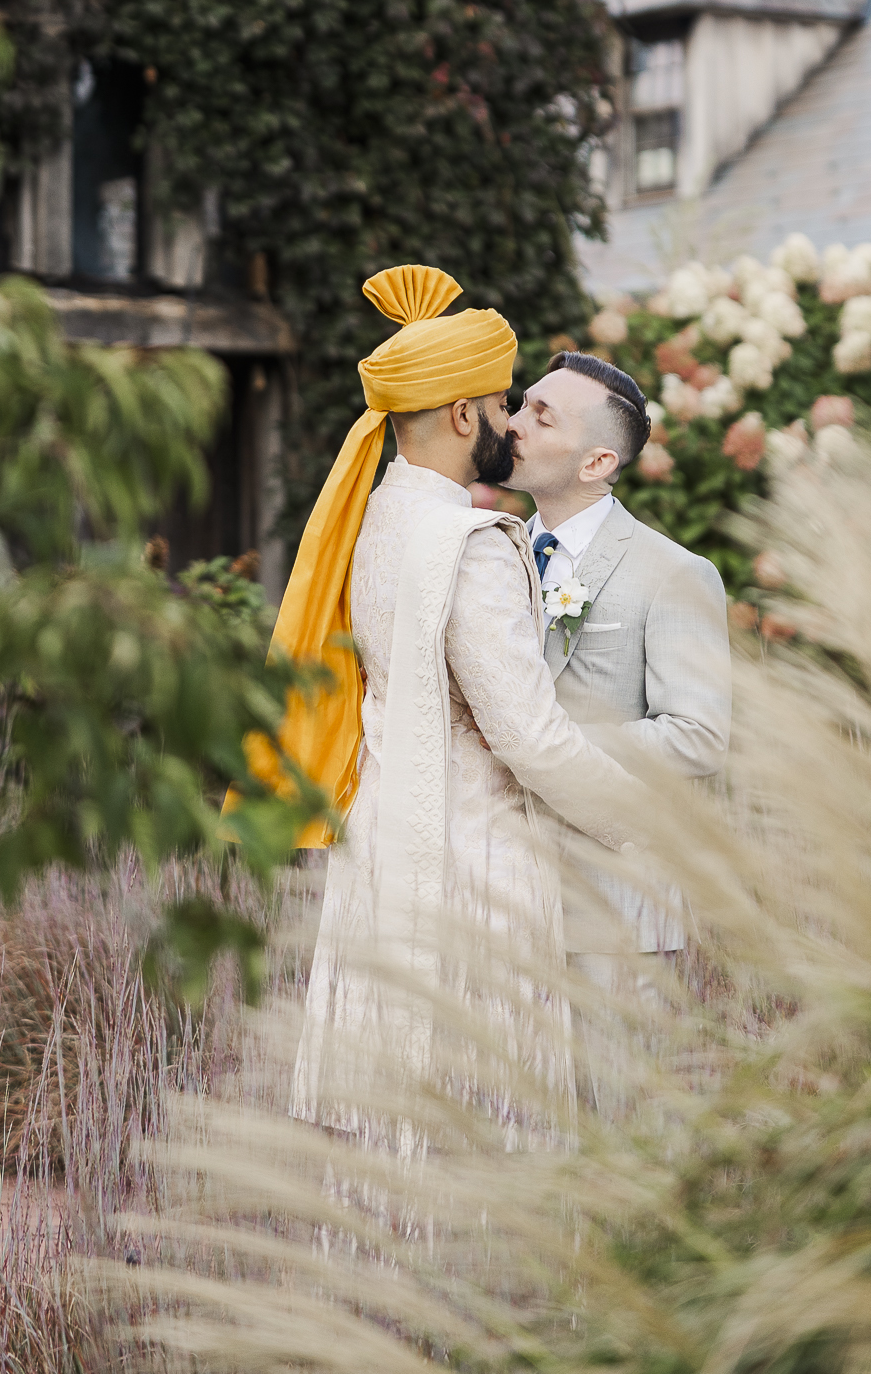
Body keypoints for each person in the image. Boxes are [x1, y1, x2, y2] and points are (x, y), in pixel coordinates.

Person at [258, 266, 640, 1138]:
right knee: (483, 1128)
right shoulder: (467, 543)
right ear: (465, 414)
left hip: (386, 847)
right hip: (471, 870)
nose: (512, 424)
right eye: (505, 405)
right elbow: (530, 738)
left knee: (388, 1136)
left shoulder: (375, 523)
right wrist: (638, 821)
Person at [509, 353, 730, 974]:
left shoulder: (675, 573)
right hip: (505, 900)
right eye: (522, 405)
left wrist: (549, 747)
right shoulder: (499, 555)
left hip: (614, 907)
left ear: (598, 462)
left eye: (542, 418)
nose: (515, 424)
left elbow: (699, 737)